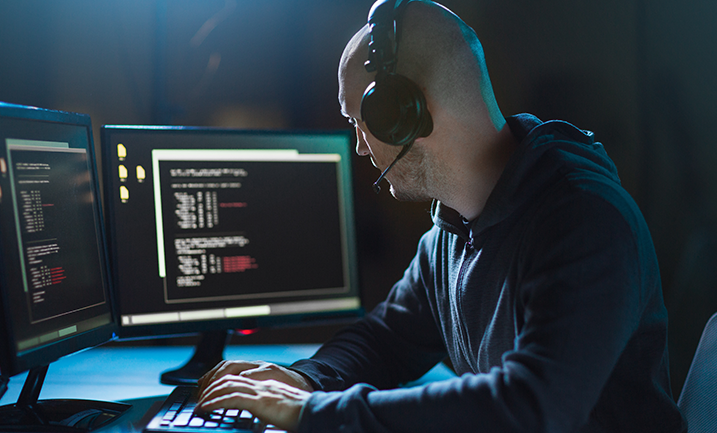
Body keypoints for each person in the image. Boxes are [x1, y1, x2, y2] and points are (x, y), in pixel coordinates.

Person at [196, 1, 687, 432]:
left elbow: (534, 406)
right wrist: (305, 379)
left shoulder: (584, 221)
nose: (360, 146)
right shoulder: (451, 230)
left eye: (359, 122)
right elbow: (386, 339)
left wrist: (317, 413)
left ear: (406, 113)